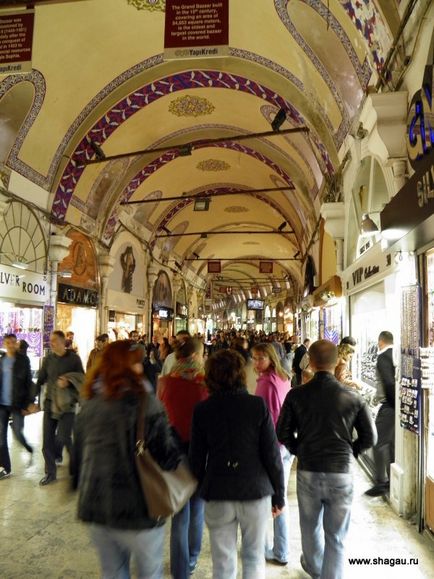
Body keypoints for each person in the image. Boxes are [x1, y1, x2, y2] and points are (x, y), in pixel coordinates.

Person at [71, 340, 181, 579]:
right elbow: (167, 457)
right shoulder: (147, 404)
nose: (142, 368)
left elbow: (76, 456)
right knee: (149, 573)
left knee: (112, 571)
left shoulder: (89, 404)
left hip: (96, 505)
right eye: (138, 364)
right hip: (139, 508)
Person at [277, 340, 376, 579]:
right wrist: (350, 451)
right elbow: (370, 437)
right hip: (340, 471)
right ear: (337, 362)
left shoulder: (296, 395)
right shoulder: (352, 396)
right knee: (337, 537)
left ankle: (316, 569)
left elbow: (282, 432)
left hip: (309, 470)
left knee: (310, 529)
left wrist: (299, 449)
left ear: (309, 362)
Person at [189, 349, 285, 579]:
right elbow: (272, 456)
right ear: (241, 374)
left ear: (210, 377)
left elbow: (196, 459)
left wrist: (203, 488)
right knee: (253, 557)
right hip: (255, 491)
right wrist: (279, 495)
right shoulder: (257, 406)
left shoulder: (202, 410)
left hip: (218, 490)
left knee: (222, 561)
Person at [158, 338, 208, 578]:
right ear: (197, 356)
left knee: (180, 513)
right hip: (200, 453)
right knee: (197, 507)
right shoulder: (205, 384)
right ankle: (192, 558)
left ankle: (180, 570)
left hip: (173, 453)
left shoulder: (165, 382)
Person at [252, 342, 292, 567]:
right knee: (280, 496)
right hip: (284, 445)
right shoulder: (283, 377)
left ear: (271, 359)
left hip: (274, 447)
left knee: (275, 500)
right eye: (254, 358)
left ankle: (278, 550)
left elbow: (266, 421)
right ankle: (280, 548)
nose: (256, 363)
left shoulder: (266, 384)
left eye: (261, 358)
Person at [36, 330, 84, 485]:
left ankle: (74, 463)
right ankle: (50, 473)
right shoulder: (48, 359)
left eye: (55, 340)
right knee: (47, 442)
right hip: (50, 403)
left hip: (67, 405)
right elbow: (41, 379)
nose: (52, 343)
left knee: (63, 437)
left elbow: (82, 378)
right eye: (51, 340)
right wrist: (33, 400)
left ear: (63, 342)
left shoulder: (74, 359)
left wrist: (68, 382)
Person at [0, 334, 36, 479]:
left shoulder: (23, 360)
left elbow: (29, 382)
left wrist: (30, 402)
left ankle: (29, 448)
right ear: (4, 343)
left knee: (18, 433)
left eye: (13, 342)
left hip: (17, 403)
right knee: (1, 437)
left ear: (16, 344)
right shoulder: (2, 360)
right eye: (8, 342)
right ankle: (5, 468)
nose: (11, 345)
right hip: (2, 404)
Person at [365, 331, 396, 497]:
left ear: (381, 342)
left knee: (377, 442)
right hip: (394, 407)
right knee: (390, 445)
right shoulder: (395, 355)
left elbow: (389, 383)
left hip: (389, 406)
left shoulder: (383, 357)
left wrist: (392, 405)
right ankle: (390, 480)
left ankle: (380, 482)